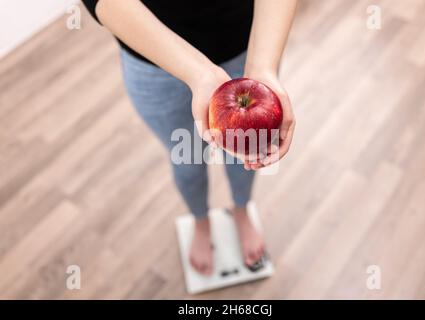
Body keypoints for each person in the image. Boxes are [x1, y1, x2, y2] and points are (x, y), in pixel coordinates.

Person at [81, 0, 297, 275]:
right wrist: (200, 73)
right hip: (152, 56)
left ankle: (241, 210)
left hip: (246, 41)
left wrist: (263, 67)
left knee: (249, 155)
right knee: (187, 158)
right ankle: (201, 221)